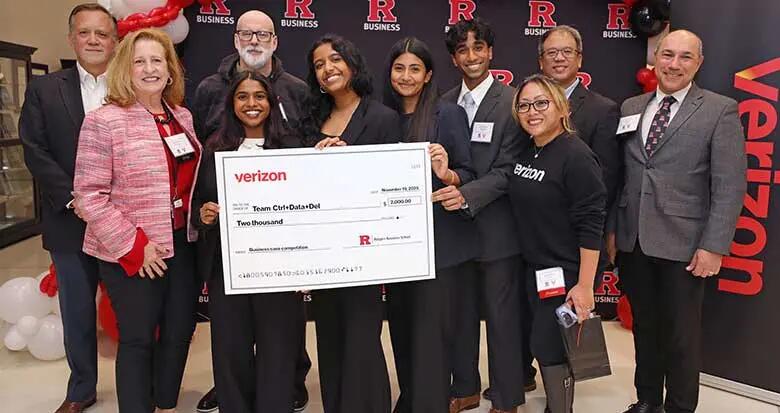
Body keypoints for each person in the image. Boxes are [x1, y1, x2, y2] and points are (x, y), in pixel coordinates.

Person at [613, 30, 746, 413]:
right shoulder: (631, 106)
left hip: (686, 245)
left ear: (699, 63)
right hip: (635, 239)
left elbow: (730, 184)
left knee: (681, 337)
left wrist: (714, 246)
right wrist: (614, 231)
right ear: (655, 60)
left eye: (685, 57)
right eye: (667, 55)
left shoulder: (720, 110)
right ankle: (648, 400)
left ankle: (680, 407)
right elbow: (625, 173)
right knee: (645, 329)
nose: (674, 64)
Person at [72, 28, 202, 413]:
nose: (149, 69)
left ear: (170, 68)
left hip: (182, 243)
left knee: (179, 332)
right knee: (138, 338)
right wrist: (135, 245)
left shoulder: (182, 115)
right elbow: (89, 194)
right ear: (125, 70)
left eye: (157, 60)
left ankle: (164, 402)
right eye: (139, 61)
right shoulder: (104, 121)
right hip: (133, 249)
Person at [191, 10, 311, 412]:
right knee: (230, 347)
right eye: (242, 97)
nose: (251, 103)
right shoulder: (215, 150)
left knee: (278, 349)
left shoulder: (292, 149)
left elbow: (307, 207)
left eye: (259, 96)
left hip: (278, 266)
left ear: (273, 103)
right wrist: (205, 214)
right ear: (230, 103)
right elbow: (198, 204)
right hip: (230, 265)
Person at [18, 4, 117, 412]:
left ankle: (140, 387)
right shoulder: (44, 89)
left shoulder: (131, 86)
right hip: (68, 217)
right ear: (72, 38)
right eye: (85, 33)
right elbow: (35, 149)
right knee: (77, 311)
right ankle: (80, 391)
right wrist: (76, 199)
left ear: (115, 41)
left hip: (122, 219)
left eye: (102, 34)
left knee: (135, 311)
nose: (93, 40)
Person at [301, 34, 402, 413]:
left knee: (362, 338)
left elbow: (391, 183)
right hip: (323, 251)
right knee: (329, 337)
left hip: (364, 249)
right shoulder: (312, 120)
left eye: (335, 59)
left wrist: (351, 159)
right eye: (319, 64)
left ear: (352, 64)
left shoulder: (383, 118)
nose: (328, 68)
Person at [382, 37, 478, 413]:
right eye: (399, 68)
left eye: (415, 69)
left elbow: (469, 172)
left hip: (439, 246)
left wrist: (448, 174)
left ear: (428, 76)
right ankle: (410, 399)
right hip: (394, 245)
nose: (406, 76)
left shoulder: (448, 114)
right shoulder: (380, 117)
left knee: (431, 337)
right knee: (402, 330)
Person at [438, 17, 527, 413]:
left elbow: (510, 170)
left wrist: (466, 195)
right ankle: (466, 388)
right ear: (454, 59)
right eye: (462, 50)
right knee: (461, 318)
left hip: (497, 231)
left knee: (502, 320)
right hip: (453, 233)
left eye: (478, 48)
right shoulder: (441, 104)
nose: (471, 57)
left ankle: (506, 397)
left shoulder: (514, 102)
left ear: (490, 52)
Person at [508, 74, 606, 413]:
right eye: (524, 105)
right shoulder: (529, 150)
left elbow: (592, 223)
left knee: (549, 346)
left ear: (561, 107)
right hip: (534, 266)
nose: (532, 111)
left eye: (541, 103)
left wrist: (584, 285)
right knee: (542, 343)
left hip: (565, 271)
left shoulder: (576, 156)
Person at [537, 25, 620, 236]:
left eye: (567, 52)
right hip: (532, 225)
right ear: (541, 62)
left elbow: (605, 178)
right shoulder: (527, 106)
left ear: (579, 59)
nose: (559, 58)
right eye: (552, 53)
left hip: (576, 227)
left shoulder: (602, 110)